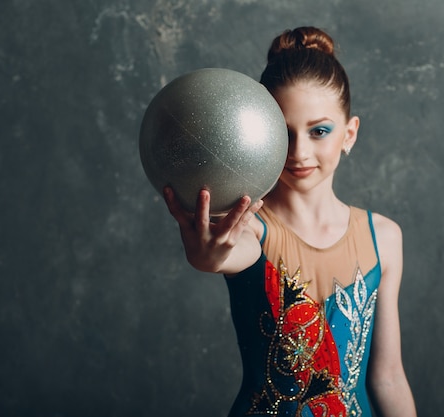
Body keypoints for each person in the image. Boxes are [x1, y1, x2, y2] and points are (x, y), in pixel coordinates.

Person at [163, 26, 416, 417]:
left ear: (348, 134)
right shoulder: (250, 229)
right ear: (262, 136)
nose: (299, 152)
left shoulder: (383, 237)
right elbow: (217, 257)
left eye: (319, 131)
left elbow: (388, 378)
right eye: (283, 132)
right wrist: (205, 253)